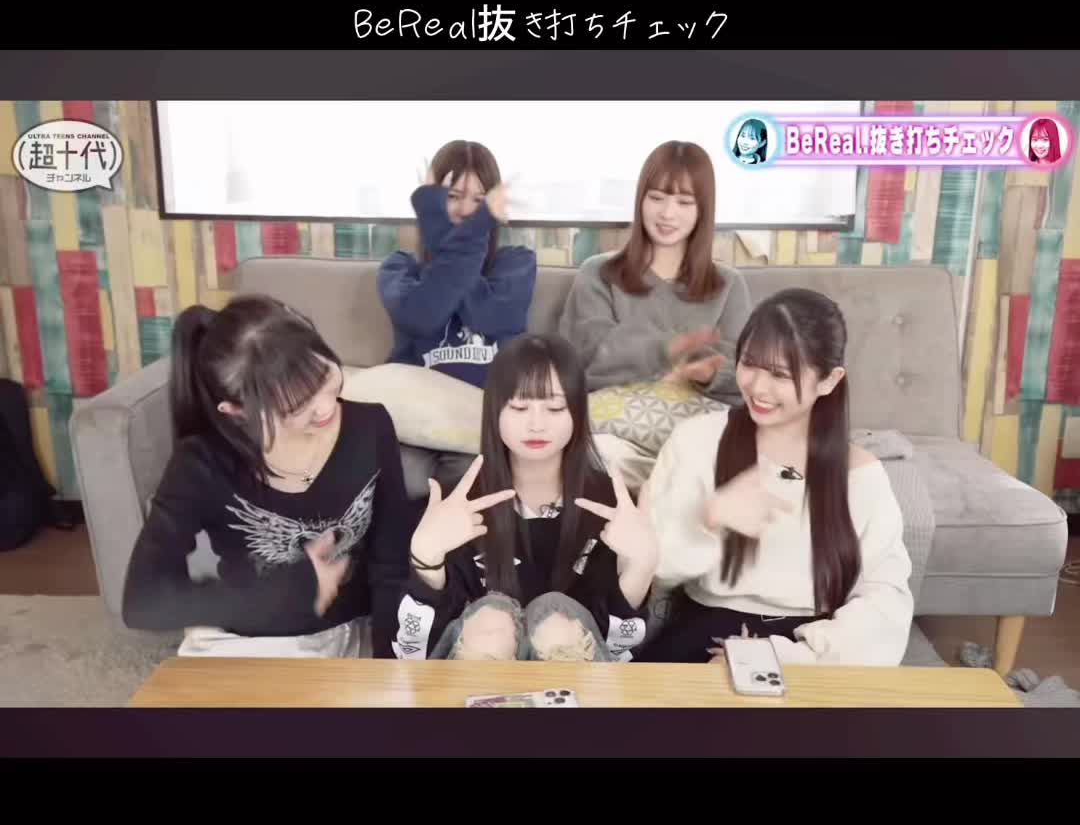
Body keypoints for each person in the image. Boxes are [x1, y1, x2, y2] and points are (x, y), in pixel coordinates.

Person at [122, 296, 410, 657]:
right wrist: (284, 591)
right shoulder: (202, 463)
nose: (325, 407)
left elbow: (391, 563)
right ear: (237, 412)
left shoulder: (371, 426)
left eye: (325, 378)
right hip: (251, 640)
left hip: (351, 631)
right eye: (296, 407)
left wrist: (389, 662)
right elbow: (142, 601)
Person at [640, 288, 913, 666]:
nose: (757, 387)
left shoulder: (860, 475)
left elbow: (885, 600)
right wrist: (705, 521)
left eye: (780, 375)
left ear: (829, 381)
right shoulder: (697, 440)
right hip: (702, 634)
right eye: (749, 363)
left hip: (813, 649)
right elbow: (650, 568)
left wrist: (792, 655)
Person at [392, 334, 658, 663]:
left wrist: (641, 567)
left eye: (555, 408)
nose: (536, 424)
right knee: (491, 624)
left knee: (558, 628)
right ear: (494, 412)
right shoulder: (456, 505)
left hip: (576, 683)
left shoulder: (611, 505)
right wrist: (426, 559)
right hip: (478, 680)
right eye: (519, 407)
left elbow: (619, 653)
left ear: (577, 413)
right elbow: (414, 655)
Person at [377, 139, 537, 497]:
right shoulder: (401, 267)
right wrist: (463, 240)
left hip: (478, 419)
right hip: (412, 415)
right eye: (452, 197)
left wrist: (445, 235)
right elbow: (422, 316)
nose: (466, 211)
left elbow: (490, 317)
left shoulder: (516, 262)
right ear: (433, 202)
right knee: (405, 480)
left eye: (479, 201)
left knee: (467, 484)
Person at [558, 139, 752, 403]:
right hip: (612, 420)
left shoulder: (729, 285)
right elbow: (588, 358)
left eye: (684, 202)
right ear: (641, 200)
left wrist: (709, 374)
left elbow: (746, 374)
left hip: (703, 421)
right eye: (657, 198)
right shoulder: (597, 274)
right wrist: (668, 348)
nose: (667, 213)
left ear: (702, 210)